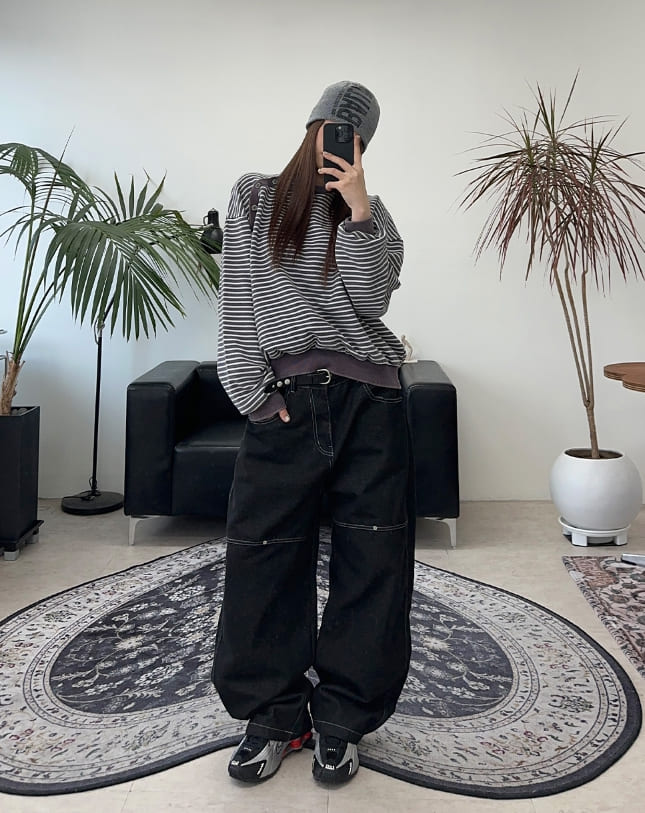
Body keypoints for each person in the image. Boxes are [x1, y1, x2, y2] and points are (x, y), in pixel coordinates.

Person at [212, 80, 413, 786]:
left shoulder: (372, 216)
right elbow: (238, 301)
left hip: (372, 403)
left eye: (354, 138)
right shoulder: (253, 197)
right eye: (332, 130)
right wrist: (253, 395)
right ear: (311, 128)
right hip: (287, 404)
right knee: (261, 557)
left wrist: (358, 210)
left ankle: (342, 719)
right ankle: (272, 715)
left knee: (373, 561)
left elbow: (371, 301)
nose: (339, 145)